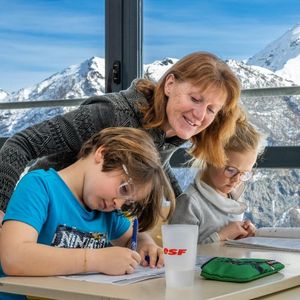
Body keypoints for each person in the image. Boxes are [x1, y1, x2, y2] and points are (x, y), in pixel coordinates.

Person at [0, 51, 241, 218]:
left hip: (90, 225)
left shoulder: (168, 133)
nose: (200, 115)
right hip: (43, 215)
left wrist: (191, 216)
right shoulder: (110, 114)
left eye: (211, 109)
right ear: (169, 85)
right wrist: (2, 210)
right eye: (195, 99)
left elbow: (157, 167)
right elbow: (20, 145)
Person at [0, 127, 175, 300]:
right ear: (103, 154)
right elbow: (13, 257)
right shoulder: (39, 187)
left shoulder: (108, 209)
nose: (118, 204)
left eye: (128, 202)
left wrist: (146, 245)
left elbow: (133, 237)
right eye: (124, 188)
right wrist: (95, 260)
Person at [170, 112, 264, 244]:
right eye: (231, 170)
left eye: (244, 174)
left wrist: (246, 233)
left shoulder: (234, 196)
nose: (237, 180)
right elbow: (178, 252)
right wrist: (221, 236)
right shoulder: (190, 204)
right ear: (210, 157)